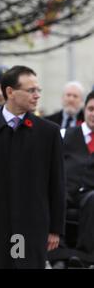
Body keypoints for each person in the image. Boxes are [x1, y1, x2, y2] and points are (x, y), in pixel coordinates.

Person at [0, 65, 66, 268]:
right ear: (10, 92)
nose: (37, 95)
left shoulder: (49, 133)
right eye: (31, 90)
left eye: (38, 90)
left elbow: (56, 183)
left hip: (33, 228)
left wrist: (55, 228)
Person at [62, 90, 94, 261]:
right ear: (85, 109)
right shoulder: (64, 134)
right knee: (51, 195)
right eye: (91, 109)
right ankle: (57, 255)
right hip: (65, 190)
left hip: (89, 195)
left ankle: (85, 256)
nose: (93, 114)